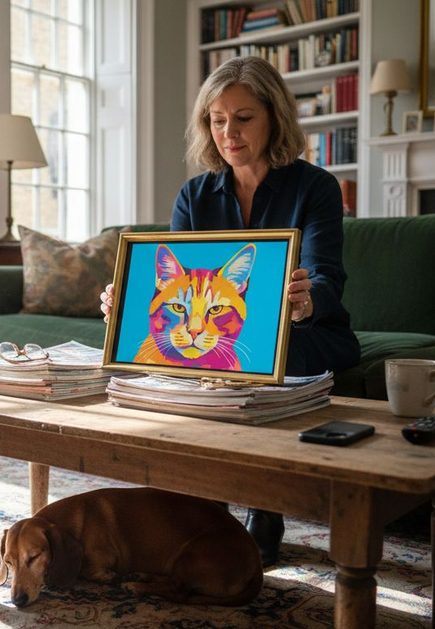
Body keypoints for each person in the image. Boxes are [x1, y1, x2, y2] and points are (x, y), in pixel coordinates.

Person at [99, 56, 361, 567]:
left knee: (253, 361)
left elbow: (328, 277)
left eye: (243, 118)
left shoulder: (316, 186)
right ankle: (206, 502)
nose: (228, 132)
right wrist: (126, 303)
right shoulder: (194, 196)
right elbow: (176, 289)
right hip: (222, 340)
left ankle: (265, 506)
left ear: (274, 119)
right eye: (217, 120)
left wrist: (307, 299)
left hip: (307, 334)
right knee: (190, 360)